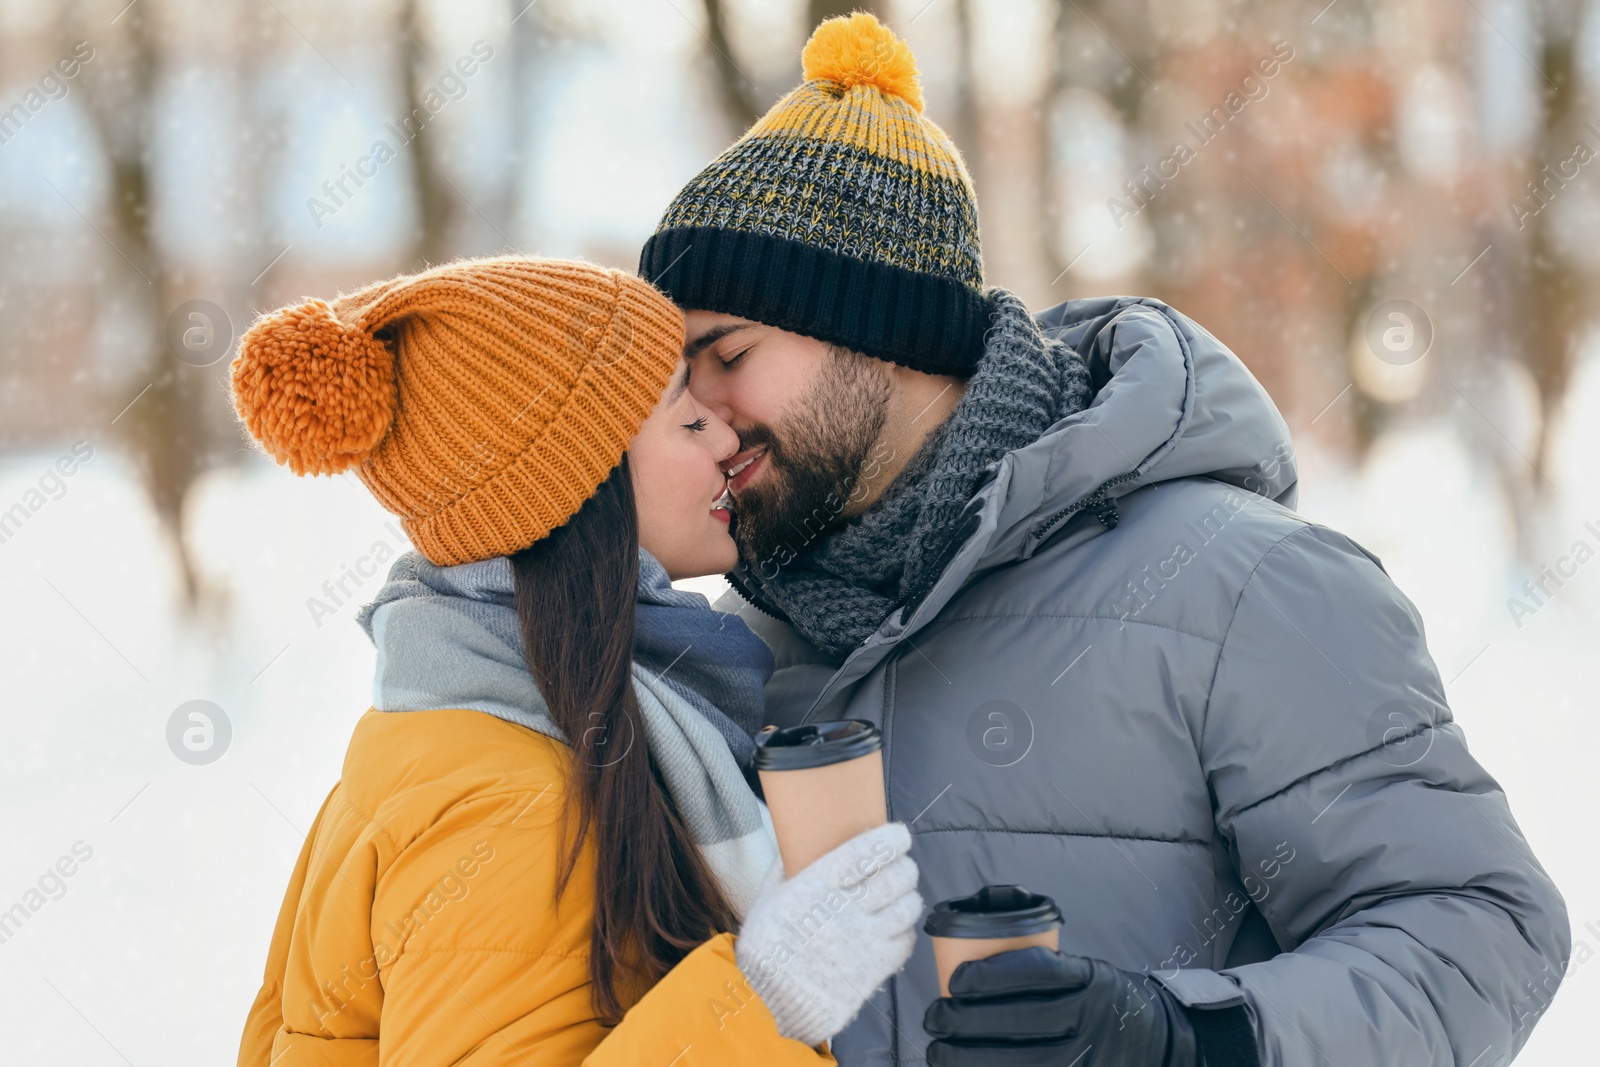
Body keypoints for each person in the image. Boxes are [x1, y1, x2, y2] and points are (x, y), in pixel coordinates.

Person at [639, 13, 1571, 1067]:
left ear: (880, 330)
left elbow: (1482, 932)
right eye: (671, 378)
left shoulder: (1239, 586)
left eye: (725, 352)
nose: (696, 411)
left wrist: (1179, 1033)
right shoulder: (728, 653)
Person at [228, 255, 924, 1065]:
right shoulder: (508, 805)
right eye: (688, 422)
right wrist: (761, 1001)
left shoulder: (494, 717)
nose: (727, 436)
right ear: (582, 491)